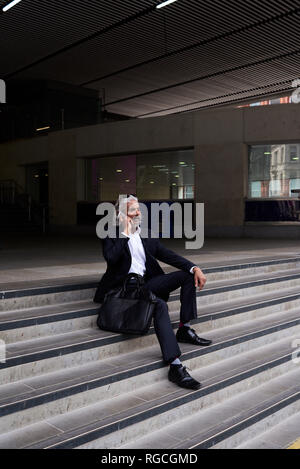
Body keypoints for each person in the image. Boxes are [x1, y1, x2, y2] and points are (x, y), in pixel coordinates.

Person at [94, 194, 212, 390]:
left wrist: (195, 268)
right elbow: (112, 259)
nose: (138, 213)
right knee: (159, 305)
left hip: (146, 284)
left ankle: (184, 328)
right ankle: (175, 366)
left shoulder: (145, 235)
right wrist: (125, 232)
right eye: (133, 210)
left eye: (138, 209)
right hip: (126, 290)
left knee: (187, 276)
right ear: (121, 214)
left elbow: (169, 256)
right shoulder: (111, 234)